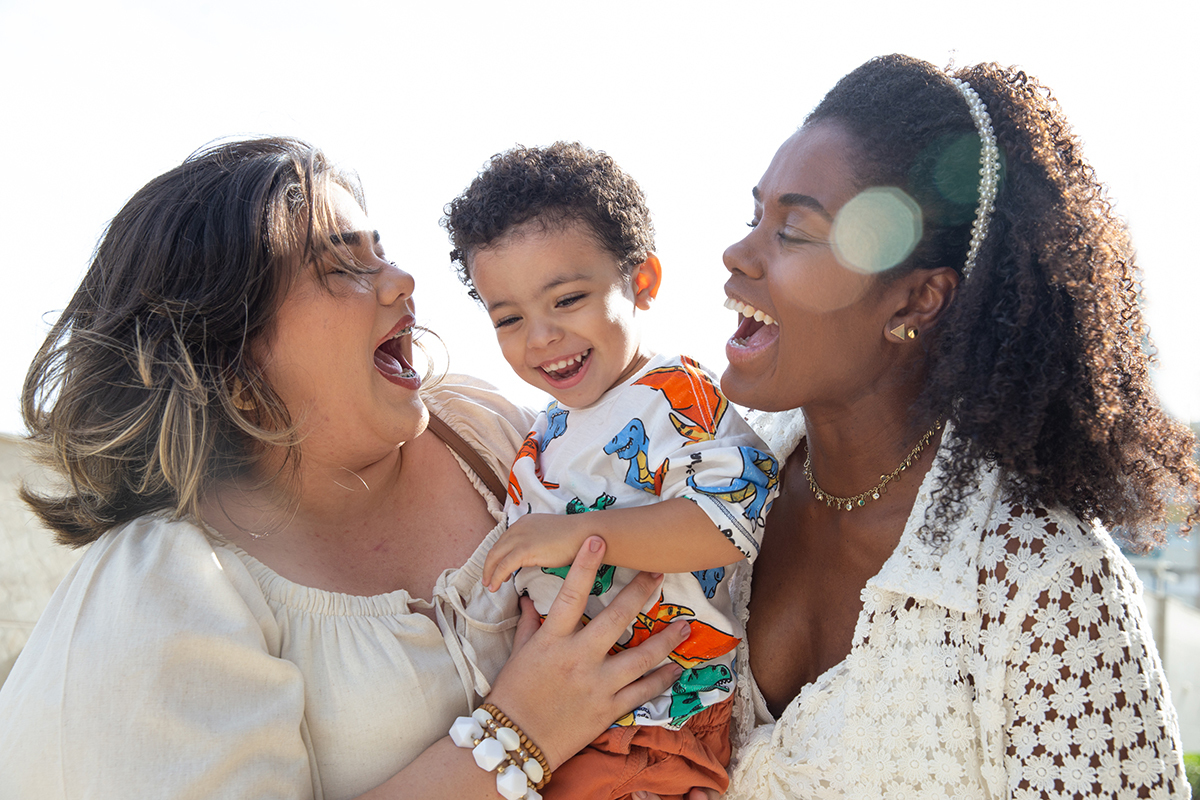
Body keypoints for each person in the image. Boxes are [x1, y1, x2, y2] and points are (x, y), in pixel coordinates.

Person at [0, 137, 696, 800]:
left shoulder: (487, 433)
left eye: (380, 253)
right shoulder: (163, 589)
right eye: (342, 267)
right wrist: (519, 734)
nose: (404, 281)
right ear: (229, 361)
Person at [650, 54, 1197, 799]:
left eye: (795, 231)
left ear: (916, 300)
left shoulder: (1046, 586)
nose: (737, 253)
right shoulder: (705, 486)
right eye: (756, 218)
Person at [441, 142, 779, 800]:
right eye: (508, 318)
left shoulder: (676, 394)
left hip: (657, 720)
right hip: (562, 723)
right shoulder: (543, 432)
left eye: (567, 299)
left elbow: (730, 521)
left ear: (642, 282)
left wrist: (575, 536)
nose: (540, 336)